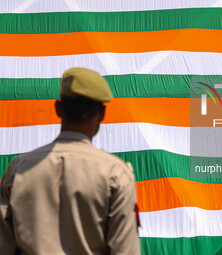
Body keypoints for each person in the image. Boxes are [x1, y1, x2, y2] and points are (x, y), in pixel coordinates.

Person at [0, 67, 141, 255]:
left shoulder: (17, 170)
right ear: (101, 114)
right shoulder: (115, 174)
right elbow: (125, 250)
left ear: (58, 108)